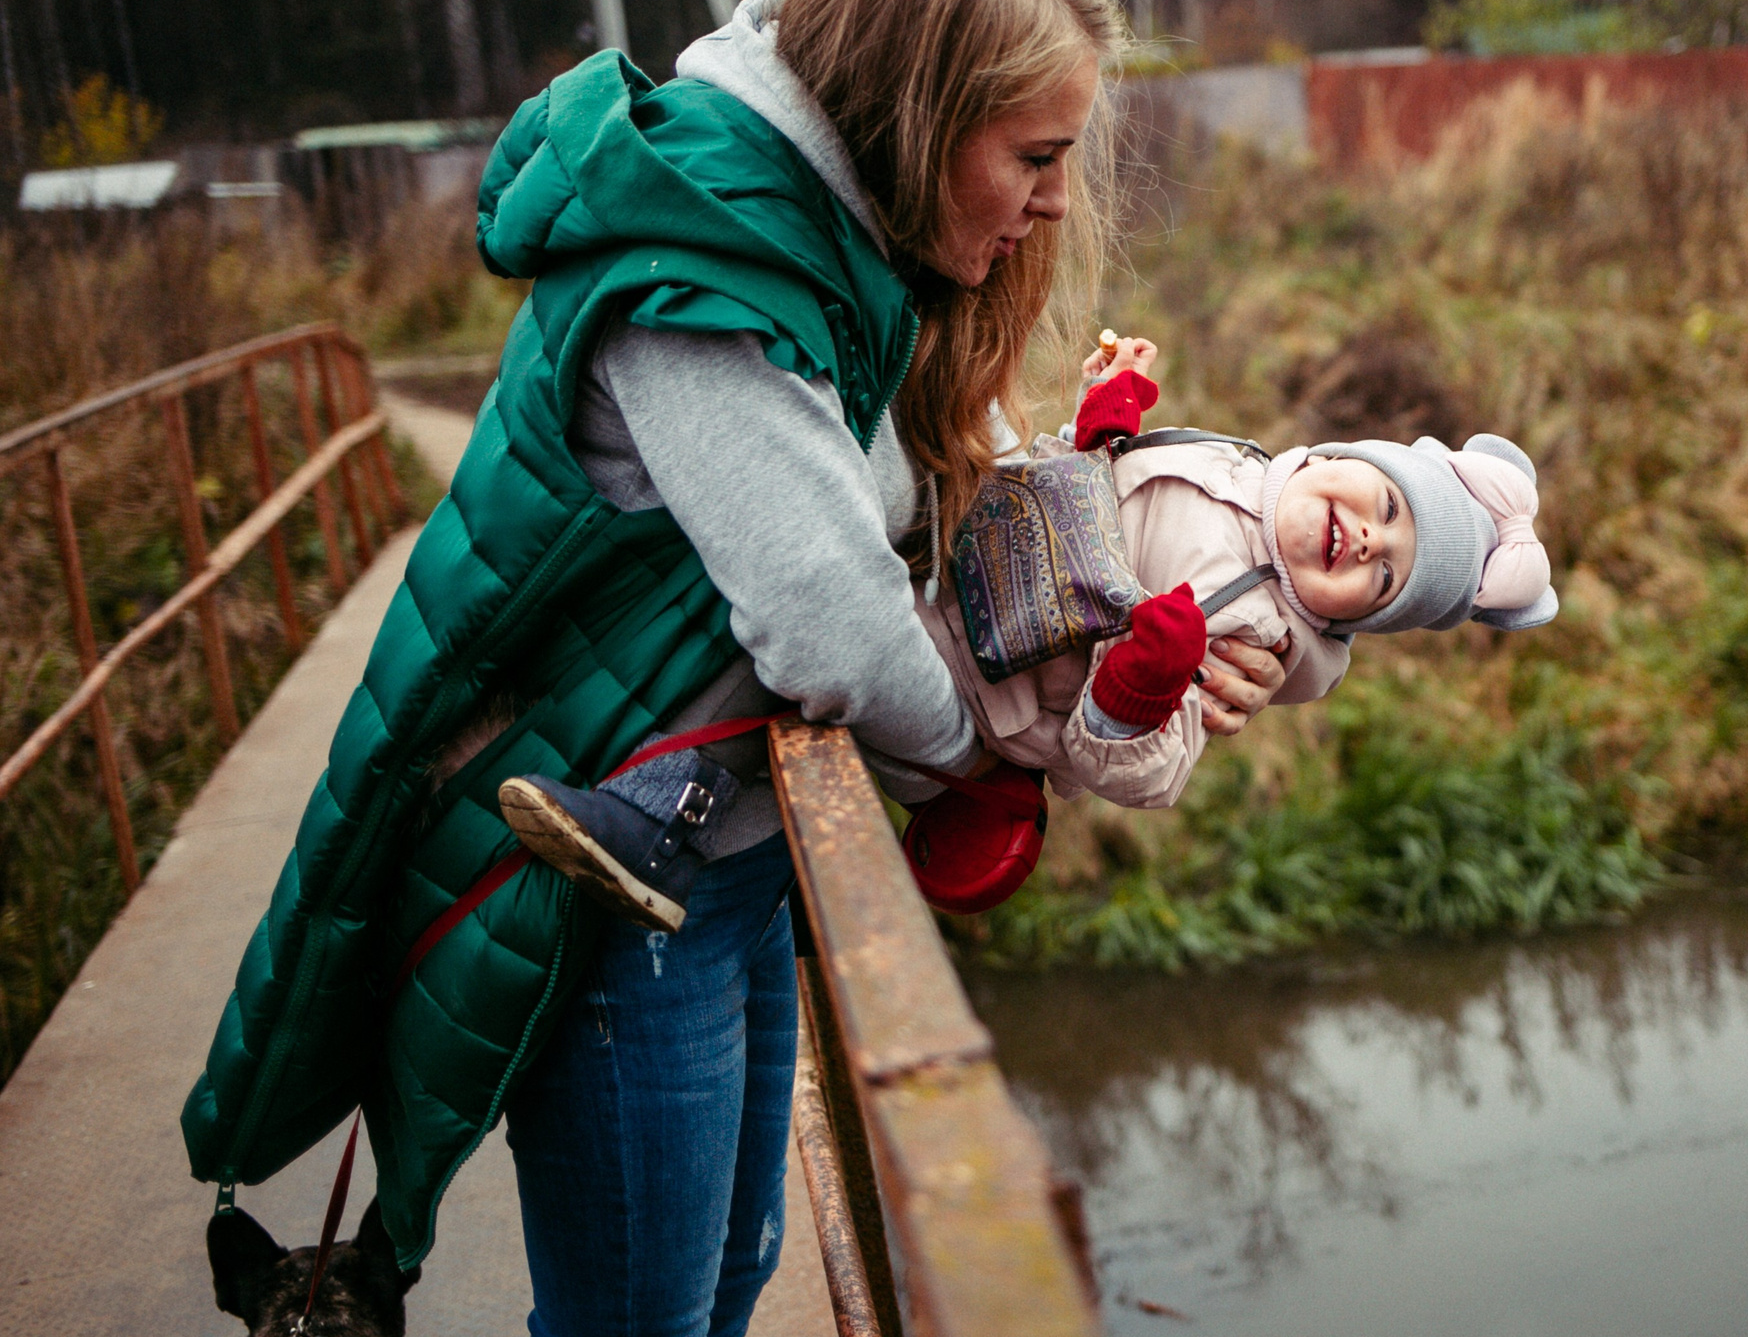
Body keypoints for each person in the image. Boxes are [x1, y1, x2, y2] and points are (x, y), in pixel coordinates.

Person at [181, 0, 1287, 1337]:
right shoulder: (708, 284)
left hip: (721, 853)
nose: (1053, 202)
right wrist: (984, 752)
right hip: (608, 886)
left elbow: (906, 524)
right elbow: (830, 619)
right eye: (1034, 156)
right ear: (917, 118)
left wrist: (1192, 600)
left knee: (729, 1275)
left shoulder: (818, 250)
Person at [499, 331, 1558, 918]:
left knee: (807, 643)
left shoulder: (1256, 634)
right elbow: (1079, 500)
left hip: (987, 684)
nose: (1365, 539)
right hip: (975, 567)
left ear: (1357, 620)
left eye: (1383, 577)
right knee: (800, 583)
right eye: (1383, 504)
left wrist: (1136, 692)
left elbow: (1144, 772)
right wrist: (1100, 430)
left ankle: (654, 820)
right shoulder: (1233, 464)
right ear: (1333, 457)